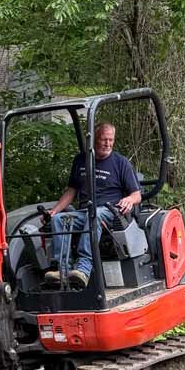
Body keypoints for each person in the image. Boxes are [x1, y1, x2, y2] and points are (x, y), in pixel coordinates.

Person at [44, 122, 141, 287]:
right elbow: (71, 191)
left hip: (111, 213)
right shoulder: (81, 160)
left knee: (95, 214)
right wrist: (54, 211)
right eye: (104, 139)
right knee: (59, 220)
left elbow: (136, 194)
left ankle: (83, 269)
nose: (108, 144)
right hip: (85, 211)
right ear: (94, 139)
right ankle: (63, 269)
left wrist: (129, 200)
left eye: (111, 140)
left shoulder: (121, 163)